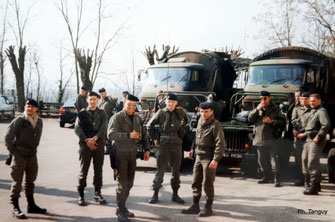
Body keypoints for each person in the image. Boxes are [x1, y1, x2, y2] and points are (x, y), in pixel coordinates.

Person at [108, 94, 150, 222]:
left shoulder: (137, 118)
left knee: (130, 183)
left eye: (134, 105)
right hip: (120, 152)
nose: (131, 107)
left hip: (132, 153)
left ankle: (122, 206)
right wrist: (128, 135)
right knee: (122, 183)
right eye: (129, 104)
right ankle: (120, 210)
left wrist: (147, 149)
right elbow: (110, 134)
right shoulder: (117, 117)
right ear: (124, 103)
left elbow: (144, 134)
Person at [181, 102, 225, 217]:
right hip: (198, 156)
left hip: (208, 157)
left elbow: (220, 144)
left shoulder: (215, 125)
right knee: (195, 182)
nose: (203, 114)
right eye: (201, 111)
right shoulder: (200, 121)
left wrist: (215, 159)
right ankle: (195, 206)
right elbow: (196, 136)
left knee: (207, 183)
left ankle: (208, 207)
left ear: (211, 112)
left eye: (206, 111)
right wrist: (192, 148)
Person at [4, 99, 46, 219]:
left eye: (32, 107)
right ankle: (15, 207)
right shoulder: (20, 120)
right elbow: (8, 137)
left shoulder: (39, 121)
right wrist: (14, 152)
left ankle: (31, 205)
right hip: (20, 155)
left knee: (30, 181)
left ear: (36, 109)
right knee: (17, 182)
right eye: (27, 106)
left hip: (32, 155)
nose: (29, 109)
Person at [147, 93, 190, 204]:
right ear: (166, 102)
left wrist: (181, 131)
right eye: (169, 101)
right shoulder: (160, 113)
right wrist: (155, 138)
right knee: (160, 170)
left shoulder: (181, 112)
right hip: (164, 143)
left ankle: (175, 195)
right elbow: (149, 125)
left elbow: (188, 122)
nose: (171, 104)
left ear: (176, 103)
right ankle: (155, 194)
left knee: (176, 171)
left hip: (176, 144)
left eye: (173, 102)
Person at [74, 91, 108, 206]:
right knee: (84, 171)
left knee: (98, 170)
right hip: (85, 146)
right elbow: (77, 129)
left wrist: (95, 138)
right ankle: (81, 194)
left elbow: (104, 128)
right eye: (90, 99)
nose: (92, 101)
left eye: (94, 99)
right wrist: (87, 141)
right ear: (87, 100)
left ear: (98, 100)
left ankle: (97, 193)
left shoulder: (103, 113)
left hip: (99, 145)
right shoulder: (82, 114)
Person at [248, 91, 286, 187]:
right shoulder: (258, 107)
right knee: (261, 160)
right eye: (261, 98)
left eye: (265, 98)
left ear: (269, 98)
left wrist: (272, 121)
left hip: (271, 138)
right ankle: (266, 176)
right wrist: (257, 109)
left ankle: (276, 178)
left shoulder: (276, 109)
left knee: (273, 160)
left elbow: (283, 122)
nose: (263, 100)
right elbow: (250, 119)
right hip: (259, 138)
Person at [297, 94, 330, 195]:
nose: (312, 103)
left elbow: (326, 125)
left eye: (314, 101)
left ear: (319, 101)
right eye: (310, 101)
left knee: (312, 162)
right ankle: (312, 184)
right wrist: (304, 134)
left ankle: (314, 187)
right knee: (305, 160)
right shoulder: (313, 111)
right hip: (308, 138)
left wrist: (318, 137)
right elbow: (311, 127)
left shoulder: (321, 112)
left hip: (315, 140)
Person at [291, 92, 311, 186]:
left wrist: (304, 130)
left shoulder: (313, 110)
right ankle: (300, 179)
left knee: (308, 159)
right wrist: (295, 129)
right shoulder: (296, 109)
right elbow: (293, 120)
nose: (303, 101)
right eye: (301, 99)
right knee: (298, 159)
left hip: (309, 137)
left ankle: (308, 179)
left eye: (305, 99)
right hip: (298, 137)